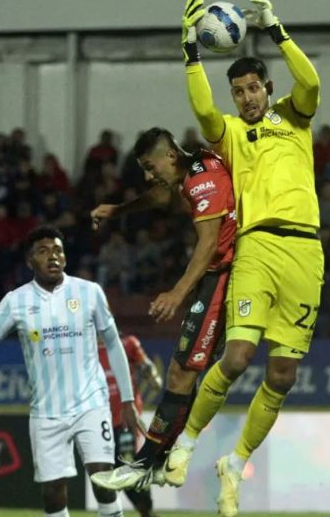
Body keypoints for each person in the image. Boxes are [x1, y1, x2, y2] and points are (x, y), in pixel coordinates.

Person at [169, 0, 324, 516]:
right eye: (239, 92)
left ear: (267, 88)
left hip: (306, 251)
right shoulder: (231, 133)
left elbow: (311, 81)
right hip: (256, 246)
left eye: (254, 88)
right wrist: (191, 51)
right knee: (235, 358)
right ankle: (186, 442)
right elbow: (203, 109)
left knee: (282, 375)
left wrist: (276, 29)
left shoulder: (294, 118)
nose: (247, 98)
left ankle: (234, 464)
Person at [0, 226, 144, 517]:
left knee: (103, 478)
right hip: (46, 412)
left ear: (65, 257)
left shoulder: (89, 292)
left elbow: (114, 344)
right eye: (43, 251)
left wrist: (127, 400)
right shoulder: (15, 301)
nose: (53, 256)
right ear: (30, 261)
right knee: (52, 494)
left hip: (91, 403)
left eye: (57, 250)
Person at [88, 128, 237, 491]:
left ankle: (144, 464)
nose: (147, 175)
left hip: (223, 277)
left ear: (170, 156)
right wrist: (119, 210)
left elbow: (208, 243)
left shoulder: (203, 180)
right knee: (182, 374)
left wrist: (176, 293)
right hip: (217, 276)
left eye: (149, 166)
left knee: (182, 373)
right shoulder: (190, 172)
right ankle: (158, 459)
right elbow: (158, 196)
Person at [98, 333, 164, 517]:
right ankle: (145, 511)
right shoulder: (86, 349)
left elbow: (145, 365)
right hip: (99, 422)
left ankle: (146, 509)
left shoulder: (127, 344)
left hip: (125, 420)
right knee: (110, 472)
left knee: (126, 466)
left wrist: (152, 375)